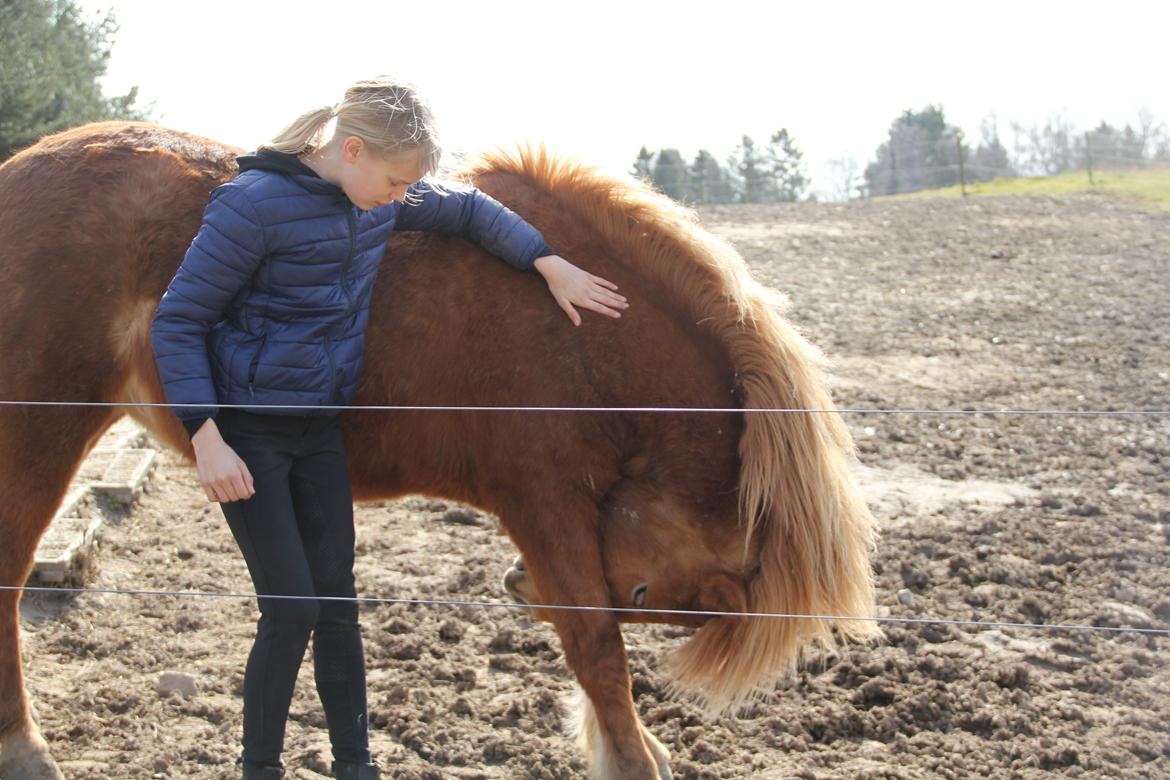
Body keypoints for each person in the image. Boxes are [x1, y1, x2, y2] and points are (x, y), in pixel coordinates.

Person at [150, 76, 627, 780]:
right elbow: (179, 320)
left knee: (338, 607)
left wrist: (545, 260)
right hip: (250, 433)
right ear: (352, 151)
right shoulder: (249, 206)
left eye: (411, 184)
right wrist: (206, 434)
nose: (403, 196)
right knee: (291, 609)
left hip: (319, 431)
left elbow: (465, 210)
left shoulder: (374, 199)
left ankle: (356, 768)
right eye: (398, 179)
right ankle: (261, 769)